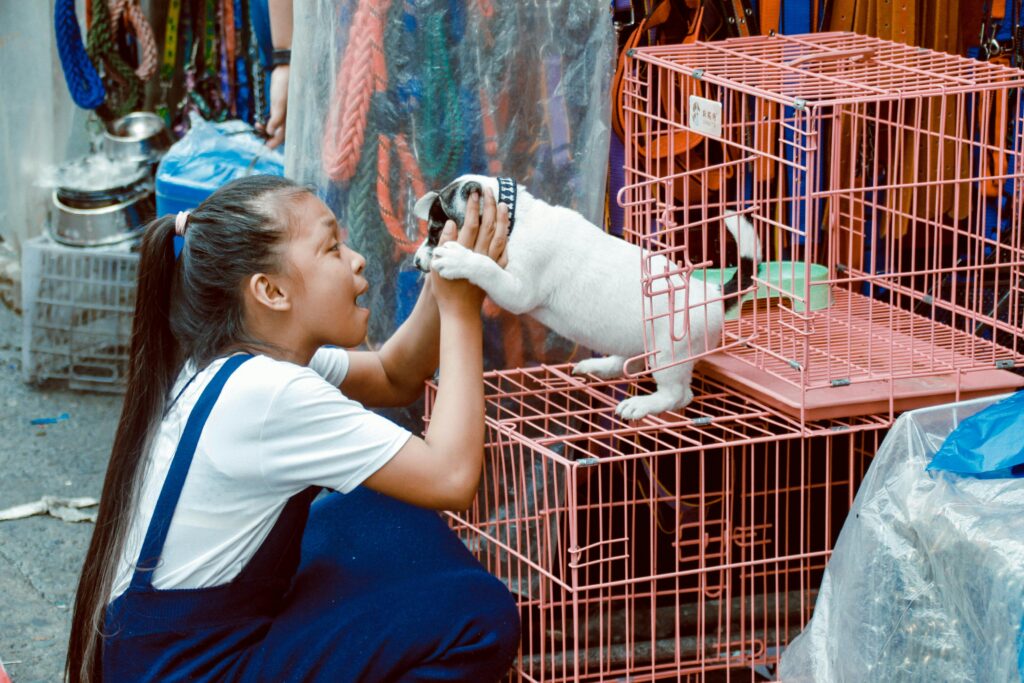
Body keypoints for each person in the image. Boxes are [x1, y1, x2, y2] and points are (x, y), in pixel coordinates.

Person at [65, 174, 519, 682]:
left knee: (385, 504)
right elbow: (453, 478)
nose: (356, 259)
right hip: (186, 669)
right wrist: (463, 307)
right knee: (479, 616)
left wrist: (444, 272)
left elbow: (396, 376)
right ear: (271, 291)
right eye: (331, 248)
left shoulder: (236, 358)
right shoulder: (270, 394)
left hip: (160, 647)